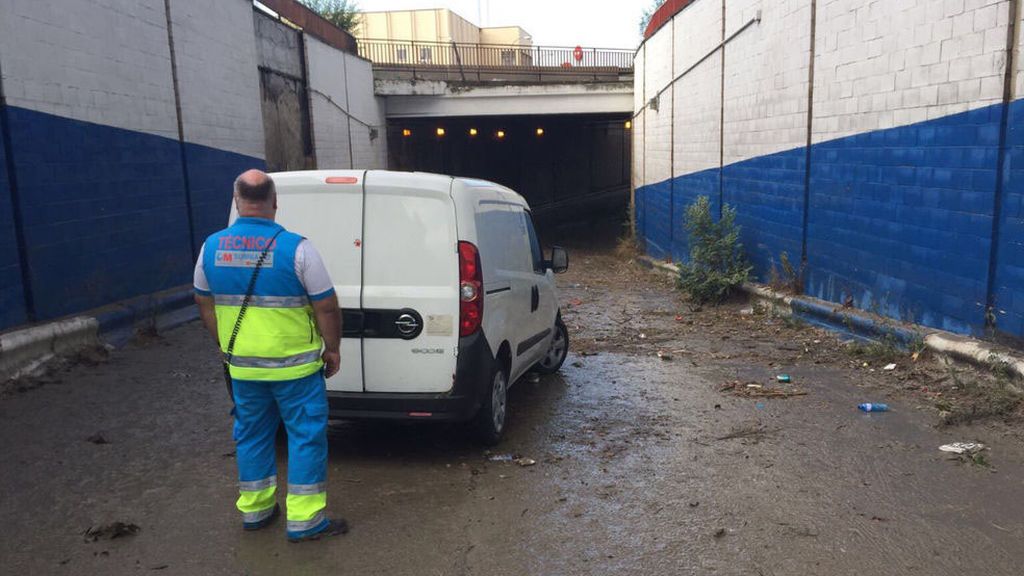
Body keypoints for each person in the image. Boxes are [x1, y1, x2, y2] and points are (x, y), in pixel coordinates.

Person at [193, 169, 346, 542]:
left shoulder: (211, 247)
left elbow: (203, 300)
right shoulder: (298, 248)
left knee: (252, 436)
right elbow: (326, 306)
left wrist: (226, 346)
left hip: (244, 368)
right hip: (295, 370)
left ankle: (257, 511)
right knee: (305, 437)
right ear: (274, 202)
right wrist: (333, 348)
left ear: (236, 201)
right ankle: (306, 520)